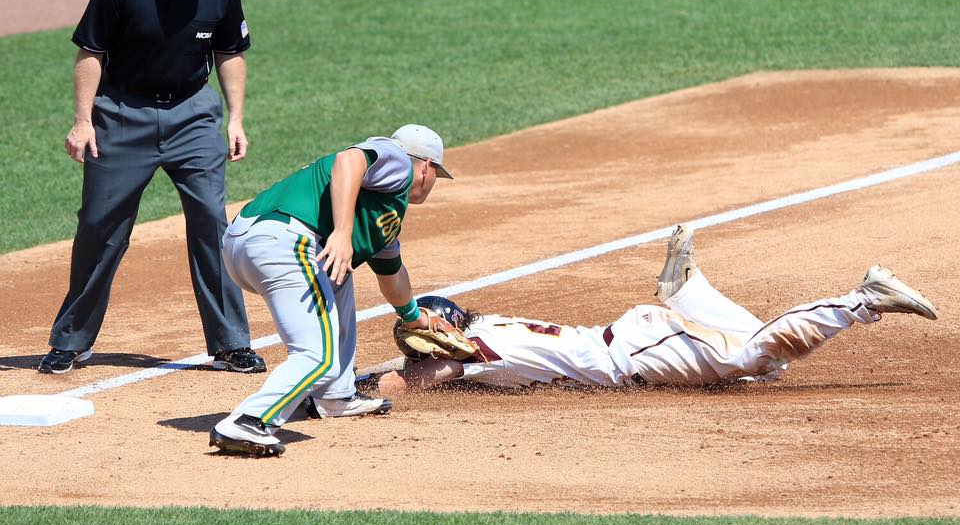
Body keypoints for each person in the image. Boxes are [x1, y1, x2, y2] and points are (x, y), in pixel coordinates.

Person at [40, 0, 263, 376]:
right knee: (100, 227)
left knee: (212, 223)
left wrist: (236, 118)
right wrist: (83, 120)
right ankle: (72, 340)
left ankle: (230, 342)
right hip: (123, 114)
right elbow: (91, 52)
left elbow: (230, 51)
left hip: (193, 114)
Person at [378, 225, 938, 395]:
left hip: (636, 353)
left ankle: (863, 300)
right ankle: (685, 290)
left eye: (428, 335)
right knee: (763, 364)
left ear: (447, 327)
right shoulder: (489, 328)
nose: (426, 345)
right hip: (639, 340)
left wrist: (346, 386)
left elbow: (416, 379)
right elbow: (428, 366)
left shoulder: (476, 350)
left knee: (750, 356)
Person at [209, 124, 456, 457]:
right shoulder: (397, 159)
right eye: (437, 174)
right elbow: (348, 160)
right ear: (427, 167)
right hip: (282, 241)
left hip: (249, 243)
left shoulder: (382, 211)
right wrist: (341, 232)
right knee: (316, 355)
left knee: (338, 273)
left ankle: (335, 395)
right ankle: (247, 421)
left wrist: (415, 318)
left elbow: (392, 275)